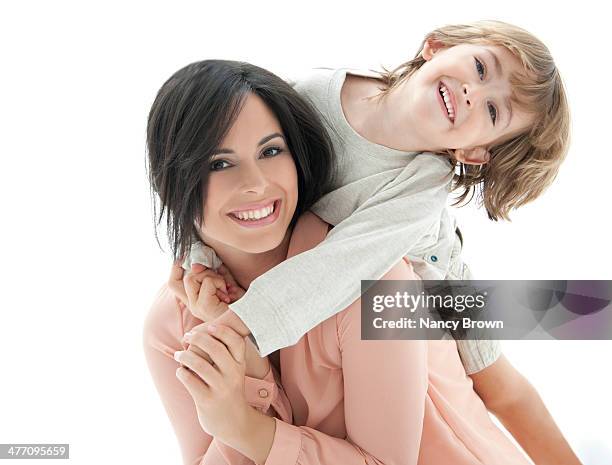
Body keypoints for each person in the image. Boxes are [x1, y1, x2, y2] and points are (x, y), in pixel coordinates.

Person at [168, 20, 578, 464]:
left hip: (438, 281)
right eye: (481, 68)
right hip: (342, 270)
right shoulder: (315, 92)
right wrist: (199, 257)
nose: (472, 94)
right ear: (436, 47)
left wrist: (233, 327)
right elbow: (225, 160)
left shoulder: (422, 186)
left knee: (498, 384)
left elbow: (343, 266)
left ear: (474, 152)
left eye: (494, 112)